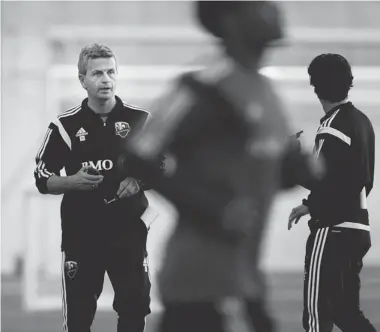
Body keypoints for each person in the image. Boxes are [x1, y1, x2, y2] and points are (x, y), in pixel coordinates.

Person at [121, 2, 321, 332]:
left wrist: (315, 170)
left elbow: (282, 171)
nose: (270, 8)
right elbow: (138, 158)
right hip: (198, 283)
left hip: (244, 280)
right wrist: (213, 208)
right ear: (229, 20)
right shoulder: (202, 88)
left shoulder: (265, 91)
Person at [34, 43, 155, 332]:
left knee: (134, 308)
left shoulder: (140, 121)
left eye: (111, 72)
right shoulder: (64, 125)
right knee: (78, 316)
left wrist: (137, 181)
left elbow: (162, 166)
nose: (106, 79)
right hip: (82, 235)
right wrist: (71, 181)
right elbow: (41, 177)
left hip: (128, 233)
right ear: (82, 80)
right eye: (97, 73)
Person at [288, 54, 377, 332]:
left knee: (317, 315)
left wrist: (290, 157)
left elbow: (321, 179)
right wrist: (309, 204)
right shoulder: (362, 122)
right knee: (347, 313)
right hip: (357, 228)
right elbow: (350, 179)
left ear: (314, 85)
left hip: (332, 230)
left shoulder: (331, 126)